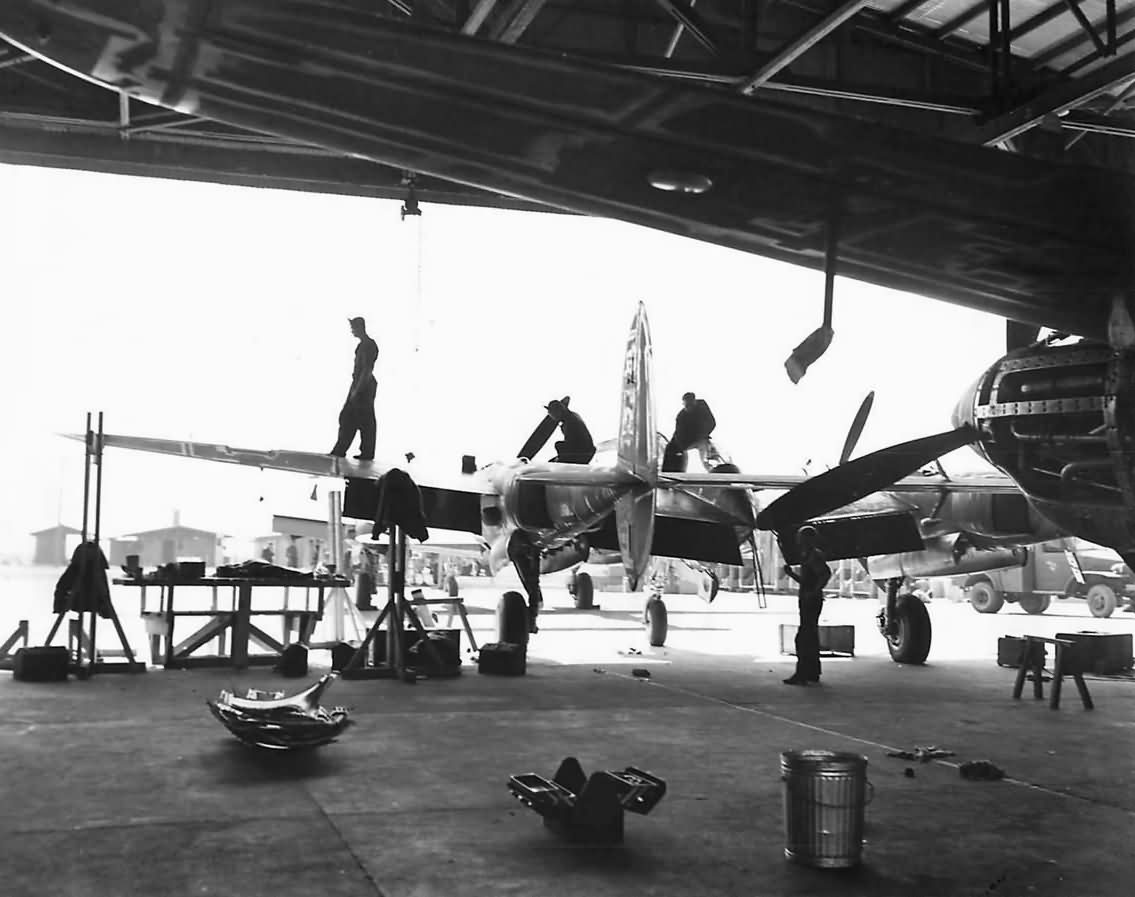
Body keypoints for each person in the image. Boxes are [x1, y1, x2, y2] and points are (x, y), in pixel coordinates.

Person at [782, 525, 831, 685]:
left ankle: (802, 673)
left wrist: (814, 592)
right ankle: (812, 672)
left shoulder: (813, 556)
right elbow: (807, 581)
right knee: (810, 636)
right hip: (808, 599)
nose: (798, 541)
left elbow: (825, 574)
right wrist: (792, 574)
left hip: (810, 601)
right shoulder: (808, 555)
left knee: (803, 638)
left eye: (801, 538)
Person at [330, 316, 379, 460]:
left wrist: (357, 390)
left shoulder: (368, 345)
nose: (352, 331)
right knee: (352, 418)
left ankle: (359, 452)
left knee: (359, 419)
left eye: (353, 328)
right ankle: (346, 450)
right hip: (360, 384)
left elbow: (367, 370)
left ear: (360, 327)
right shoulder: (362, 345)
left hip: (364, 385)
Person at [662, 392, 717, 472]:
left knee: (706, 446)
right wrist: (680, 449)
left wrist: (703, 435)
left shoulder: (702, 406)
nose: (688, 408)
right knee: (671, 448)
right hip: (685, 441)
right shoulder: (681, 417)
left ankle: (712, 468)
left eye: (690, 405)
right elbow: (679, 437)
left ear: (695, 402)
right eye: (686, 406)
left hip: (701, 437)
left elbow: (712, 423)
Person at [546, 399, 595, 464]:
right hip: (588, 452)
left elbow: (572, 443)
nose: (551, 416)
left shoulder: (569, 422)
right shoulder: (572, 416)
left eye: (551, 413)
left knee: (558, 445)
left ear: (558, 412)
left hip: (583, 454)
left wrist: (561, 459)